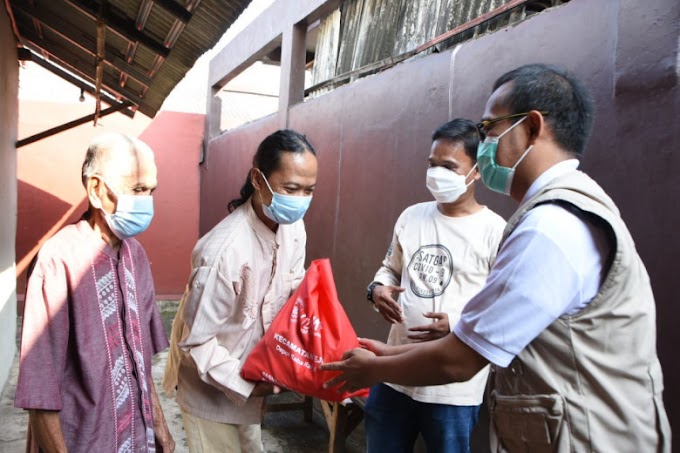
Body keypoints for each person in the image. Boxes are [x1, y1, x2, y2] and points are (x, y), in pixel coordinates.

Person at [322, 64, 671, 451]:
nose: (485, 140)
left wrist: (374, 368)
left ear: (532, 127)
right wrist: (390, 347)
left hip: (580, 435)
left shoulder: (548, 229)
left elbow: (461, 358)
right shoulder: (565, 209)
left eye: (490, 129)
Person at [15, 133, 175, 453]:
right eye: (137, 190)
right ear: (97, 189)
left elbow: (139, 361)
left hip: (134, 437)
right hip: (79, 439)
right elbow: (41, 386)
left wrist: (161, 428)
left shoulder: (136, 255)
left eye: (151, 190)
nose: (146, 200)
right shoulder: (59, 258)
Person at [162, 129, 318, 453]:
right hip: (211, 391)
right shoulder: (222, 253)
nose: (300, 199)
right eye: (291, 188)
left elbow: (293, 289)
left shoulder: (294, 228)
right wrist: (249, 383)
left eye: (309, 190)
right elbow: (197, 343)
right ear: (258, 180)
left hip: (252, 381)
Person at [364, 119, 505, 452]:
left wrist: (456, 328)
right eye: (432, 164)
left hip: (452, 391)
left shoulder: (494, 231)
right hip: (393, 374)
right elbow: (389, 269)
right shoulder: (412, 216)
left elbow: (500, 309)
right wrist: (377, 289)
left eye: (449, 166)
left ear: (478, 171)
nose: (437, 173)